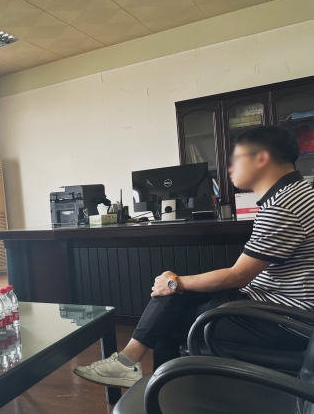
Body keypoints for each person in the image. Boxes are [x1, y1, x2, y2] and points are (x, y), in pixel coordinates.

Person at [75, 125, 313, 388]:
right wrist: (176, 284)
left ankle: (159, 393)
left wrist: (174, 282)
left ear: (262, 158)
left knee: (169, 318)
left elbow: (238, 276)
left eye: (236, 158)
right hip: (277, 305)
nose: (229, 168)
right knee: (176, 297)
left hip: (287, 321)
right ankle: (131, 366)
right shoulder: (299, 193)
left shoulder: (282, 207)